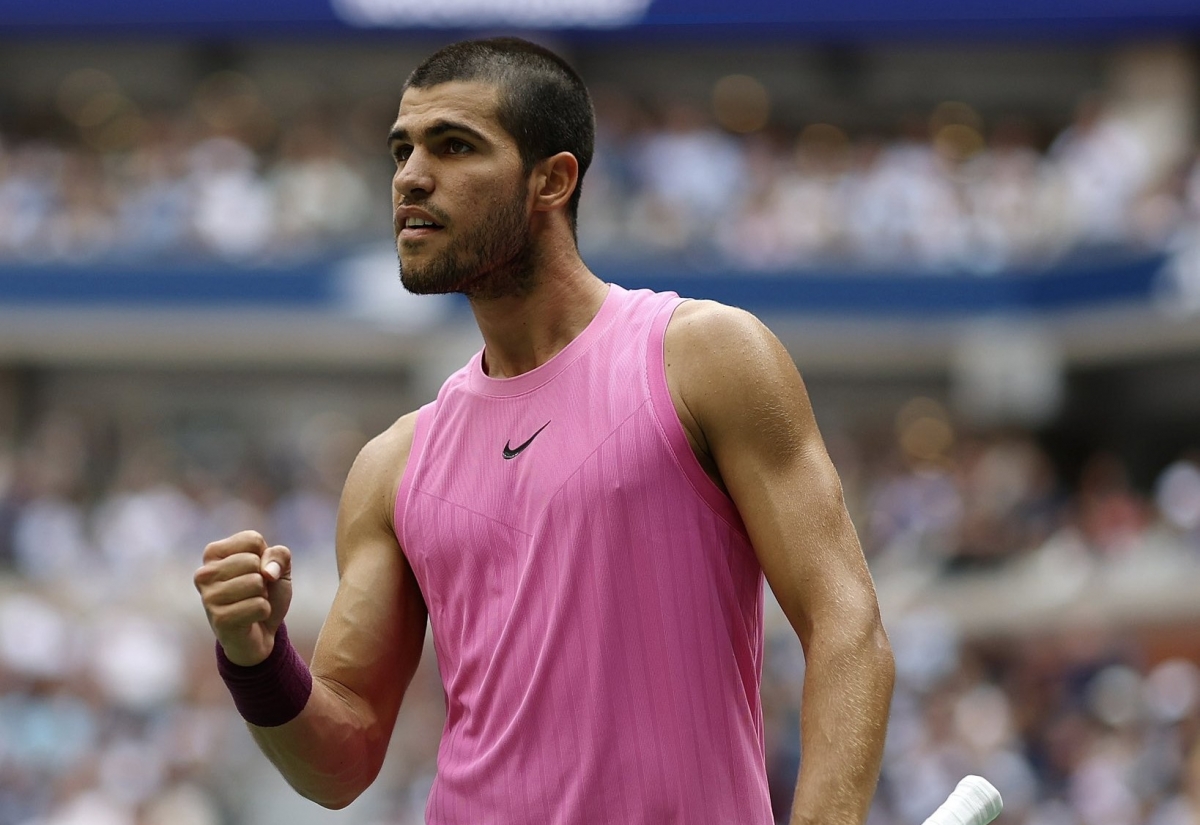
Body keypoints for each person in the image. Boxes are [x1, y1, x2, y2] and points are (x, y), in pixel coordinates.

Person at [193, 37, 895, 825]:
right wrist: (257, 657)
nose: (411, 176)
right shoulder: (392, 464)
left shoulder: (707, 358)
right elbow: (340, 760)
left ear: (552, 180)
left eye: (454, 146)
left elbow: (847, 625)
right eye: (402, 149)